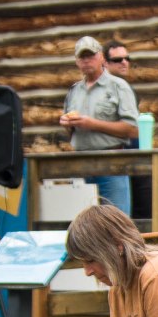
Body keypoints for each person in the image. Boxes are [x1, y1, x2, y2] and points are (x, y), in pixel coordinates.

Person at [60, 36, 139, 215]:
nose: (87, 60)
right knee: (81, 224)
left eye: (91, 55)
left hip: (111, 163)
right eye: (82, 57)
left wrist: (92, 124)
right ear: (77, 61)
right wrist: (67, 124)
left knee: (115, 220)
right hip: (80, 165)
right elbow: (71, 134)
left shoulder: (118, 86)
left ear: (101, 57)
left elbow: (133, 130)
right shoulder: (73, 91)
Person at [103, 40, 152, 221]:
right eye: (117, 60)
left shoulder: (127, 88)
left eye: (127, 58)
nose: (124, 62)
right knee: (119, 214)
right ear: (105, 63)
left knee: (145, 206)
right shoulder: (101, 91)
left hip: (137, 154)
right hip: (115, 157)